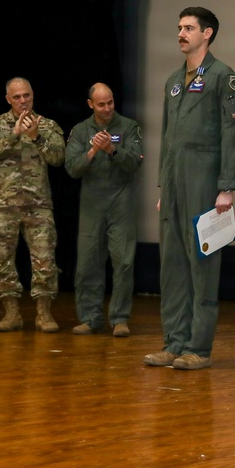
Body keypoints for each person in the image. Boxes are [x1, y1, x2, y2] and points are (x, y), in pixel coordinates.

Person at [146, 6, 235, 371]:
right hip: (174, 182)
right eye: (179, 27)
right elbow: (167, 136)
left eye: (189, 28)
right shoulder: (174, 80)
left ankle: (198, 348)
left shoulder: (222, 76)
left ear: (207, 33)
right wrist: (164, 185)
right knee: (172, 265)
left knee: (202, 265)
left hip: (204, 181)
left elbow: (233, 133)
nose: (181, 33)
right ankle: (173, 343)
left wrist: (227, 186)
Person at [0, 77, 65, 333]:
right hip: (3, 204)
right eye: (16, 97)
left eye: (26, 95)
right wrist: (13, 135)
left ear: (33, 95)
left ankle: (44, 313)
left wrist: (37, 138)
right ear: (8, 99)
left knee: (45, 260)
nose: (23, 101)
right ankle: (12, 313)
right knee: (1, 262)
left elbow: (59, 158)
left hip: (38, 205)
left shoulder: (47, 125)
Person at [65, 83, 144, 337]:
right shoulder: (80, 131)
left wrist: (112, 149)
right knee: (88, 263)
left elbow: (134, 162)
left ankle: (120, 319)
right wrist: (93, 150)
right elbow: (72, 168)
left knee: (123, 262)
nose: (107, 108)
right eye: (101, 104)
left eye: (110, 102)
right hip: (92, 204)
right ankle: (90, 318)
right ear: (91, 105)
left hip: (121, 202)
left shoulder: (129, 127)